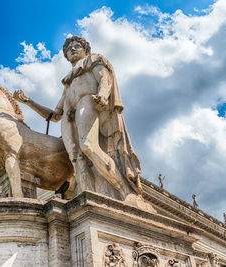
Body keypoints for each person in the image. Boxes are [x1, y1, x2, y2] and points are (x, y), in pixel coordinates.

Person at [14, 36, 141, 199]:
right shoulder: (68, 81)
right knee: (76, 158)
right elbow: (54, 115)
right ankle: (88, 196)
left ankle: (125, 192)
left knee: (88, 146)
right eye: (68, 49)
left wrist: (102, 95)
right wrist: (28, 102)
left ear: (85, 49)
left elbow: (104, 78)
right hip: (69, 114)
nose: (72, 49)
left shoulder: (93, 60)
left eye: (76, 46)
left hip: (87, 101)